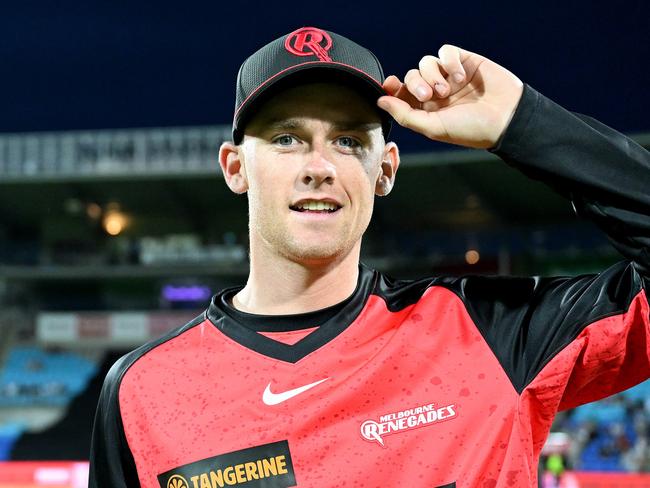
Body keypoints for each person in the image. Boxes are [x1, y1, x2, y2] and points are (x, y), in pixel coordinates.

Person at [89, 26, 650, 487]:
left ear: (385, 170)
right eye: (286, 138)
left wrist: (524, 123)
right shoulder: (141, 389)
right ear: (235, 167)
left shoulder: (489, 334)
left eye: (350, 141)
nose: (320, 165)